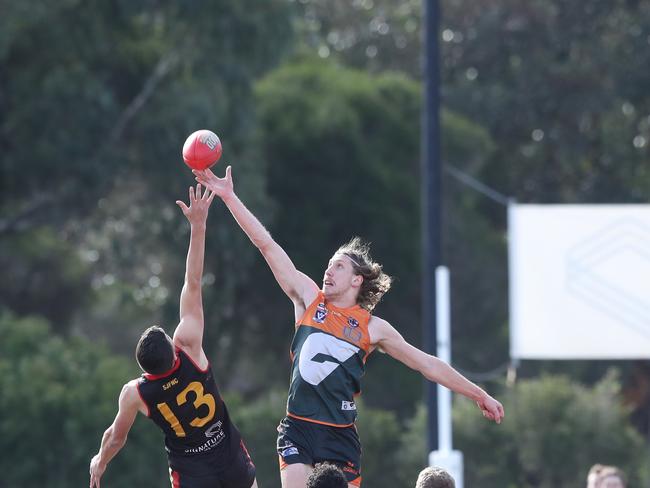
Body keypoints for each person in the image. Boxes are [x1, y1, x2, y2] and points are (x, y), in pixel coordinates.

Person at [194, 166, 505, 488]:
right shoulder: (307, 299)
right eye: (328, 265)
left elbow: (427, 364)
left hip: (340, 436)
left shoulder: (373, 329)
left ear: (356, 280)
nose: (328, 271)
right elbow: (266, 245)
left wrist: (477, 393)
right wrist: (229, 197)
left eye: (338, 267)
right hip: (297, 428)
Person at [89, 184, 257, 488]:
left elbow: (115, 438)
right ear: (173, 348)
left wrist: (100, 462)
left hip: (191, 472)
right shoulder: (190, 346)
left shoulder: (135, 394)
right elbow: (193, 282)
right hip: (229, 455)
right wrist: (198, 225)